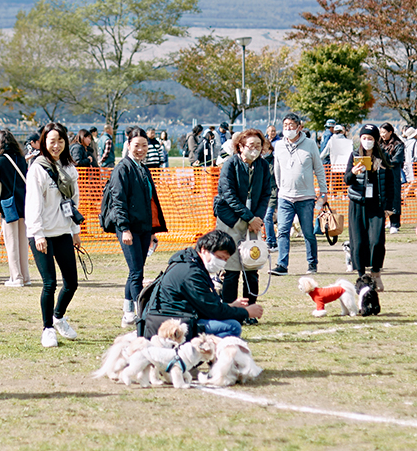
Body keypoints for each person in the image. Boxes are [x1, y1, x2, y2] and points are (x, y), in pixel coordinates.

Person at [139, 229, 266, 338]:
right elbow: (213, 311)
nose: (222, 262)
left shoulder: (190, 263)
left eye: (225, 260)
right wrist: (246, 313)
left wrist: (231, 306)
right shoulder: (191, 273)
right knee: (232, 327)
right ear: (204, 249)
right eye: (220, 257)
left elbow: (207, 305)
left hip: (171, 319)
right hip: (169, 326)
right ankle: (194, 357)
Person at [101, 130, 167, 326]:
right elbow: (118, 201)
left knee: (136, 270)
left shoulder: (142, 168)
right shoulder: (122, 169)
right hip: (128, 228)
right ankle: (138, 314)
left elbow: (149, 202)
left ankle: (129, 310)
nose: (140, 149)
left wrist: (153, 231)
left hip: (144, 227)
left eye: (144, 145)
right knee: (137, 271)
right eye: (136, 145)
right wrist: (124, 228)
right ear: (128, 145)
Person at [25, 123, 81, 346]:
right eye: (51, 141)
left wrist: (75, 231)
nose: (56, 145)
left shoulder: (69, 167)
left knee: (72, 283)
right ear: (43, 143)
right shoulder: (37, 168)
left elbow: (73, 202)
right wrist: (38, 234)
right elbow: (33, 204)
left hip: (63, 231)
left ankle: (58, 317)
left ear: (66, 142)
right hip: (42, 234)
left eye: (60, 141)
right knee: (50, 283)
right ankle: (47, 328)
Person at [211, 128, 273, 303]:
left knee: (251, 266)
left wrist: (257, 218)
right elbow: (228, 194)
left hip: (253, 221)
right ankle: (230, 310)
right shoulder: (230, 164)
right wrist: (248, 217)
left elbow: (266, 194)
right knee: (231, 269)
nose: (255, 149)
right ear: (240, 146)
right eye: (251, 145)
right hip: (231, 220)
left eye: (259, 145)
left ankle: (250, 310)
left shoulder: (262, 166)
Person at [268, 113, 325, 276]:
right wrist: (281, 189)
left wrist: (323, 191)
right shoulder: (278, 146)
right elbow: (277, 170)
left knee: (308, 232)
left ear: (299, 127)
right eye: (285, 125)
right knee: (283, 230)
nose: (288, 128)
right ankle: (282, 264)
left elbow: (319, 169)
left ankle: (312, 263)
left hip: (306, 197)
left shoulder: (310, 144)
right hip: (285, 196)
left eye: (291, 125)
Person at [345, 123, 396, 284]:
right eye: (364, 138)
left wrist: (389, 206)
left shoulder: (383, 157)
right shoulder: (354, 156)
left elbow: (390, 183)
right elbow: (346, 180)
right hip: (357, 203)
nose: (367, 141)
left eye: (370, 138)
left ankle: (375, 272)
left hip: (377, 204)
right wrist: (353, 172)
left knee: (377, 241)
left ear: (376, 140)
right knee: (358, 242)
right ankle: (361, 276)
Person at [0, 128, 31, 288]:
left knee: (11, 242)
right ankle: (25, 276)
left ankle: (16, 277)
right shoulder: (21, 158)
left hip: (8, 204)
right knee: (22, 242)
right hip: (24, 202)